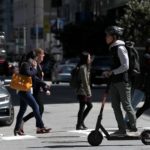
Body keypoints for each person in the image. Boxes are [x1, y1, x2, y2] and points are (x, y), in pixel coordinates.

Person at [104, 26, 137, 136]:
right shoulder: (113, 47)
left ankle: (133, 127)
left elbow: (125, 66)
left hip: (122, 81)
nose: (106, 37)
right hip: (114, 81)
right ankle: (121, 129)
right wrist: (109, 72)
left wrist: (112, 72)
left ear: (114, 36)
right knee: (115, 106)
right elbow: (116, 65)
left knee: (126, 105)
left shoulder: (120, 48)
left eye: (108, 35)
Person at [14, 54, 50, 136]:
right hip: (24, 91)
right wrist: (34, 68)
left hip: (25, 90)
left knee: (22, 110)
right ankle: (41, 126)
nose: (35, 61)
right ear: (31, 59)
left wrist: (44, 84)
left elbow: (34, 78)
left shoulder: (28, 65)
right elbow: (29, 73)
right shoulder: (25, 64)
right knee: (36, 107)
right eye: (34, 59)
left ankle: (17, 129)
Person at [76, 52, 93, 130]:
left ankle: (80, 122)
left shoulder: (85, 67)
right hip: (82, 91)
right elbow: (85, 81)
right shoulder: (83, 67)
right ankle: (79, 124)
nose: (90, 59)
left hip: (83, 90)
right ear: (85, 59)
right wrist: (88, 92)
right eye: (89, 58)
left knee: (89, 106)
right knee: (83, 107)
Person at [136, 38, 150, 118]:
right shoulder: (146, 56)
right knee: (146, 104)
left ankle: (131, 121)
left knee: (147, 105)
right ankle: (131, 121)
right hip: (148, 84)